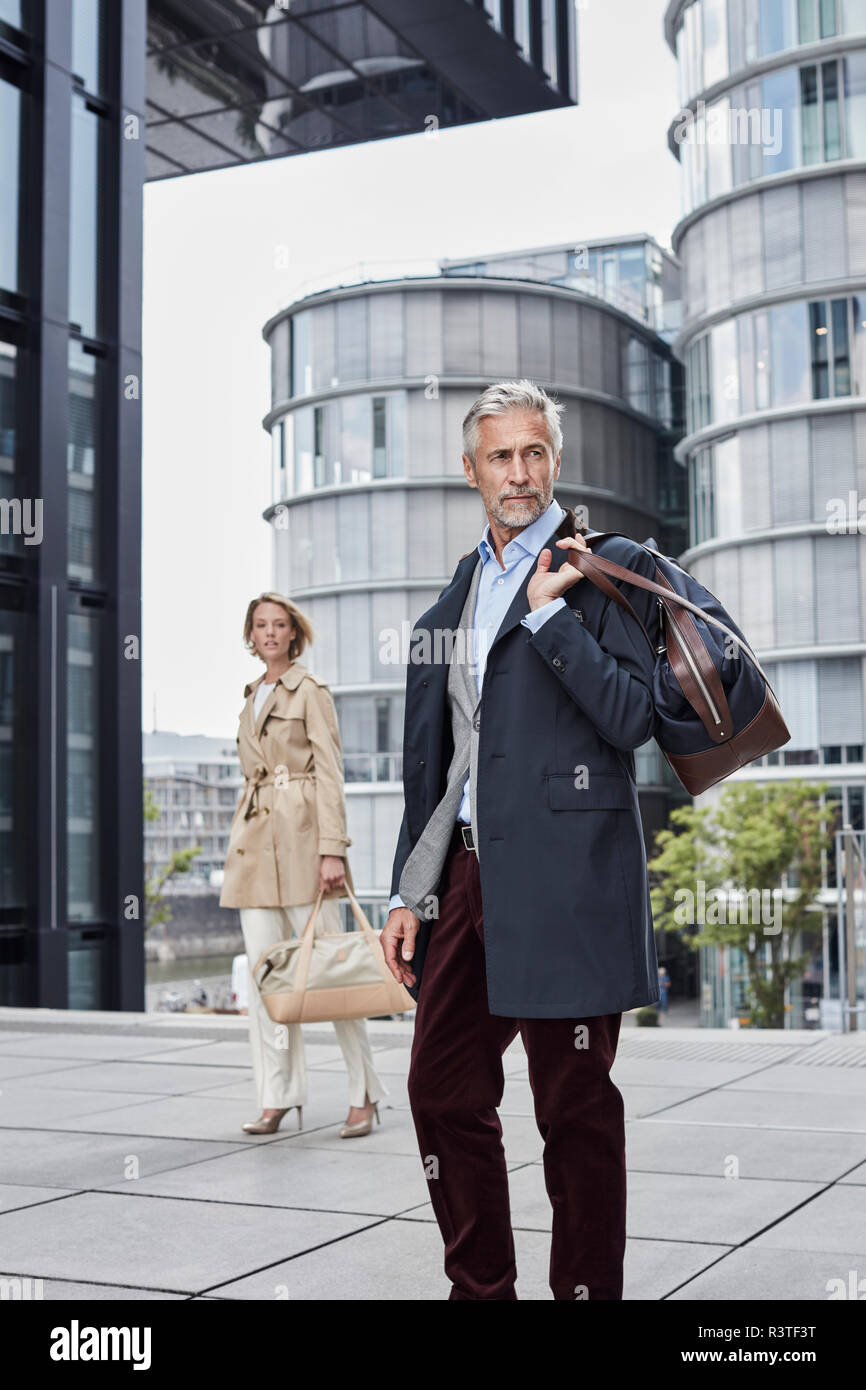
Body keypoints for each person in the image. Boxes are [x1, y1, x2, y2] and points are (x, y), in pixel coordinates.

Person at [382, 380, 662, 1300]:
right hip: (467, 881)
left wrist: (548, 615)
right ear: (471, 471)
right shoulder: (449, 608)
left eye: (535, 452)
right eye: (500, 455)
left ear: (554, 462)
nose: (520, 472)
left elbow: (630, 719)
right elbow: (436, 770)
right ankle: (483, 1290)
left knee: (574, 1109)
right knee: (441, 1090)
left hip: (568, 882)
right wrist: (408, 894)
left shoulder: (605, 570)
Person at [219, 591, 388, 1138]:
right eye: (260, 625)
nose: (269, 633)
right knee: (267, 982)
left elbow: (330, 771)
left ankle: (364, 1093)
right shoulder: (249, 695)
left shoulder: (310, 690)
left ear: (294, 633)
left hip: (304, 843)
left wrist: (332, 848)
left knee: (333, 976)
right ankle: (277, 1097)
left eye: (279, 624)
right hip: (253, 848)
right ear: (251, 635)